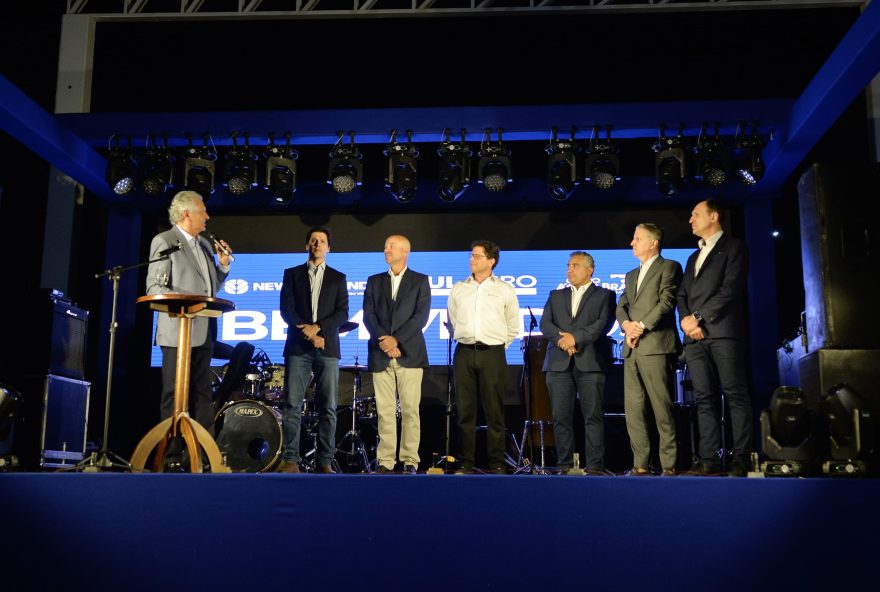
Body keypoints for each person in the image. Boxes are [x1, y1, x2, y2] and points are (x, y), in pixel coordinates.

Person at [147, 190, 233, 439]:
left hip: (204, 331)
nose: (207, 216)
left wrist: (223, 265)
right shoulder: (164, 241)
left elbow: (210, 289)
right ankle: (172, 454)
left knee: (202, 393)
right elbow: (155, 288)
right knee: (174, 394)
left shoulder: (205, 244)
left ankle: (203, 456)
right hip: (177, 332)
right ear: (186, 214)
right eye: (202, 210)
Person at [677, 199, 752, 477]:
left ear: (714, 216)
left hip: (723, 333)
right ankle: (708, 460)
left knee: (735, 394)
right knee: (704, 398)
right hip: (694, 338)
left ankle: (741, 459)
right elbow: (682, 295)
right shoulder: (692, 257)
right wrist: (687, 321)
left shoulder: (734, 247)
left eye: (695, 214)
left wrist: (699, 317)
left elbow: (730, 288)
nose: (690, 220)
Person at [277, 227, 349, 473]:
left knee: (328, 407)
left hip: (327, 347)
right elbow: (287, 309)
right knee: (292, 405)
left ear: (329, 247)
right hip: (298, 347)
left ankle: (325, 461)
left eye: (322, 241)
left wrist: (317, 329)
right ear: (307, 245)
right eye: (313, 240)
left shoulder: (338, 278)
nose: (317, 244)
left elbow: (342, 312)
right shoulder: (292, 274)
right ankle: (291, 460)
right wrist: (307, 332)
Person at [447, 240, 520, 474]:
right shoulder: (459, 288)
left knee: (494, 411)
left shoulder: (505, 289)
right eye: (471, 256)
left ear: (491, 261)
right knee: (465, 412)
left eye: (477, 256)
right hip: (465, 352)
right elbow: (452, 321)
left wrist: (496, 346)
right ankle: (465, 462)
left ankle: (497, 462)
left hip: (493, 353)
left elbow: (512, 326)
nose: (472, 260)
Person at [540, 251, 616, 475]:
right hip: (558, 364)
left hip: (591, 362)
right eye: (568, 265)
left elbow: (603, 323)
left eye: (575, 265)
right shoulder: (556, 295)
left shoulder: (605, 295)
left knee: (592, 416)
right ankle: (565, 466)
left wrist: (576, 338)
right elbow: (546, 324)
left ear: (589, 270)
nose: (569, 270)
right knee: (561, 417)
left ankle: (594, 466)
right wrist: (564, 342)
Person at [616, 224, 683, 476]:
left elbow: (666, 302)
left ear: (653, 243)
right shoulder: (631, 274)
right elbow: (621, 305)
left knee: (662, 408)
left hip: (655, 346)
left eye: (637, 238)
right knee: (634, 410)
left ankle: (669, 465)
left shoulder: (670, 267)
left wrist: (640, 327)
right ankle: (640, 465)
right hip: (631, 349)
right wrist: (626, 326)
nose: (632, 243)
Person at [363, 235, 431, 474]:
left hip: (410, 354)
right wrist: (385, 341)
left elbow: (420, 317)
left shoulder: (420, 281)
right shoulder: (374, 281)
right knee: (385, 411)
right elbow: (368, 315)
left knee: (411, 410)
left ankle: (410, 460)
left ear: (405, 251)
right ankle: (385, 461)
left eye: (391, 246)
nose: (386, 250)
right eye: (385, 246)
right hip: (381, 354)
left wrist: (397, 340)